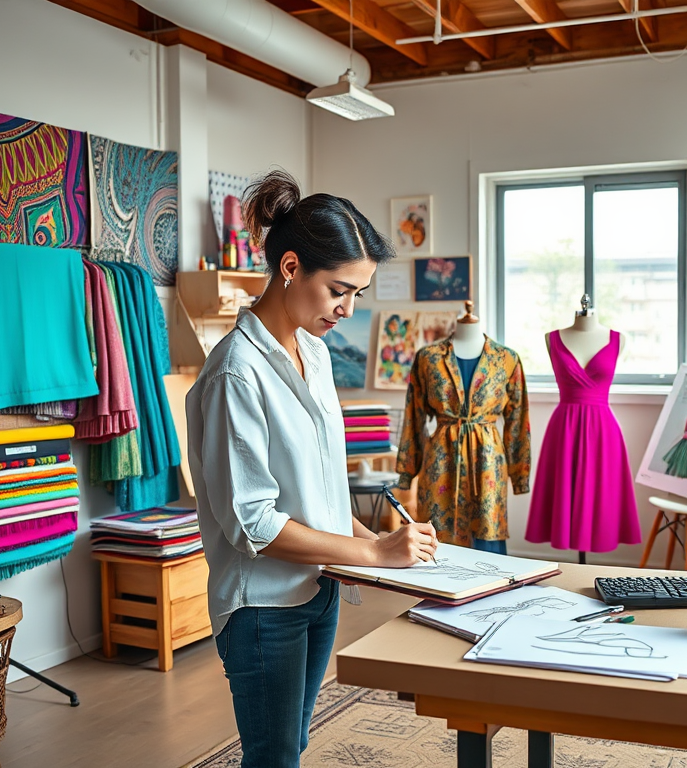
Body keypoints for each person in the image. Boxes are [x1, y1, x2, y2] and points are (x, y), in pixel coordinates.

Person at [186, 170, 438, 768]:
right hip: (264, 605)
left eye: (358, 294)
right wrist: (374, 556)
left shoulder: (316, 353)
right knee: (273, 757)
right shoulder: (234, 374)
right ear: (291, 268)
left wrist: (376, 541)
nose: (348, 310)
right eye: (339, 291)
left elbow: (320, 489)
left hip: (318, 589)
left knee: (291, 746)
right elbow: (252, 523)